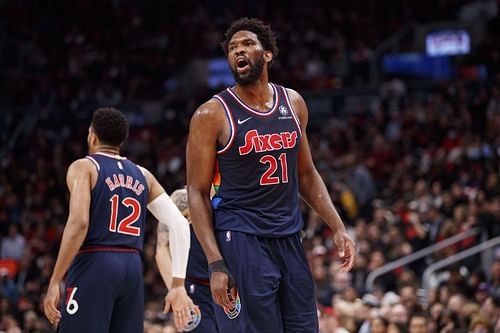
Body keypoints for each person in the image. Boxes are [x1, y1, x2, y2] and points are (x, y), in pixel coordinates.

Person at [186, 17, 356, 332]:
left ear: (267, 54)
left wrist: (338, 226)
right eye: (233, 47)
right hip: (241, 236)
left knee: (305, 327)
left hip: (289, 236)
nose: (239, 50)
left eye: (248, 43)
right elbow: (196, 192)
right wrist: (215, 262)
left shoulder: (293, 103)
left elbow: (305, 174)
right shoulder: (211, 114)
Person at [43, 107, 194, 332]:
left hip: (95, 262)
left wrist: (55, 280)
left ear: (91, 134)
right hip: (132, 267)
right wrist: (178, 284)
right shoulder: (143, 174)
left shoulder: (84, 167)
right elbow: (180, 223)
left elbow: (79, 223)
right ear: (121, 141)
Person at [156, 187, 219, 332]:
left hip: (230, 289)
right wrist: (177, 290)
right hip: (196, 291)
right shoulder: (183, 198)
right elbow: (162, 248)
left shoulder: (236, 196)